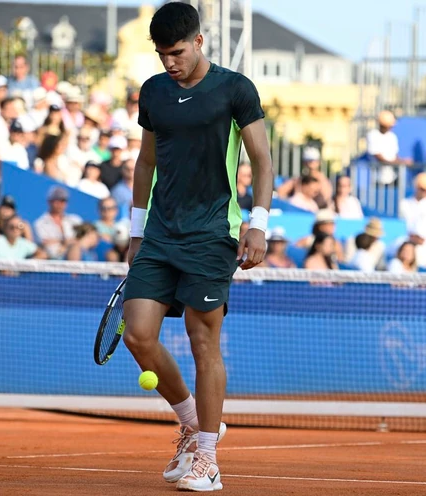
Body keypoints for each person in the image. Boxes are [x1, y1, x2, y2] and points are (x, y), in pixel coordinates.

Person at [122, 4, 273, 491]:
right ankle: (191, 422)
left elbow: (262, 160)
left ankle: (207, 457)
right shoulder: (153, 92)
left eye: (178, 52)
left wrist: (258, 225)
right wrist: (136, 231)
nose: (170, 62)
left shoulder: (235, 89)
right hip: (159, 234)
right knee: (137, 334)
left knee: (202, 340)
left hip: (212, 233)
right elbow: (145, 162)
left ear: (199, 41)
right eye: (162, 55)